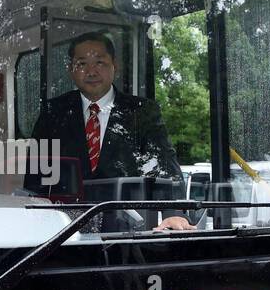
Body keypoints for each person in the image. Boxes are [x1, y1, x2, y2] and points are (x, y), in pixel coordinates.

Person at [30, 33, 192, 231]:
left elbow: (165, 165)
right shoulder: (53, 113)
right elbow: (35, 176)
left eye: (99, 62)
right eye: (82, 64)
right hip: (64, 232)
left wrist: (174, 213)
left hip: (127, 232)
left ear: (115, 65)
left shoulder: (142, 112)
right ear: (70, 70)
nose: (91, 71)